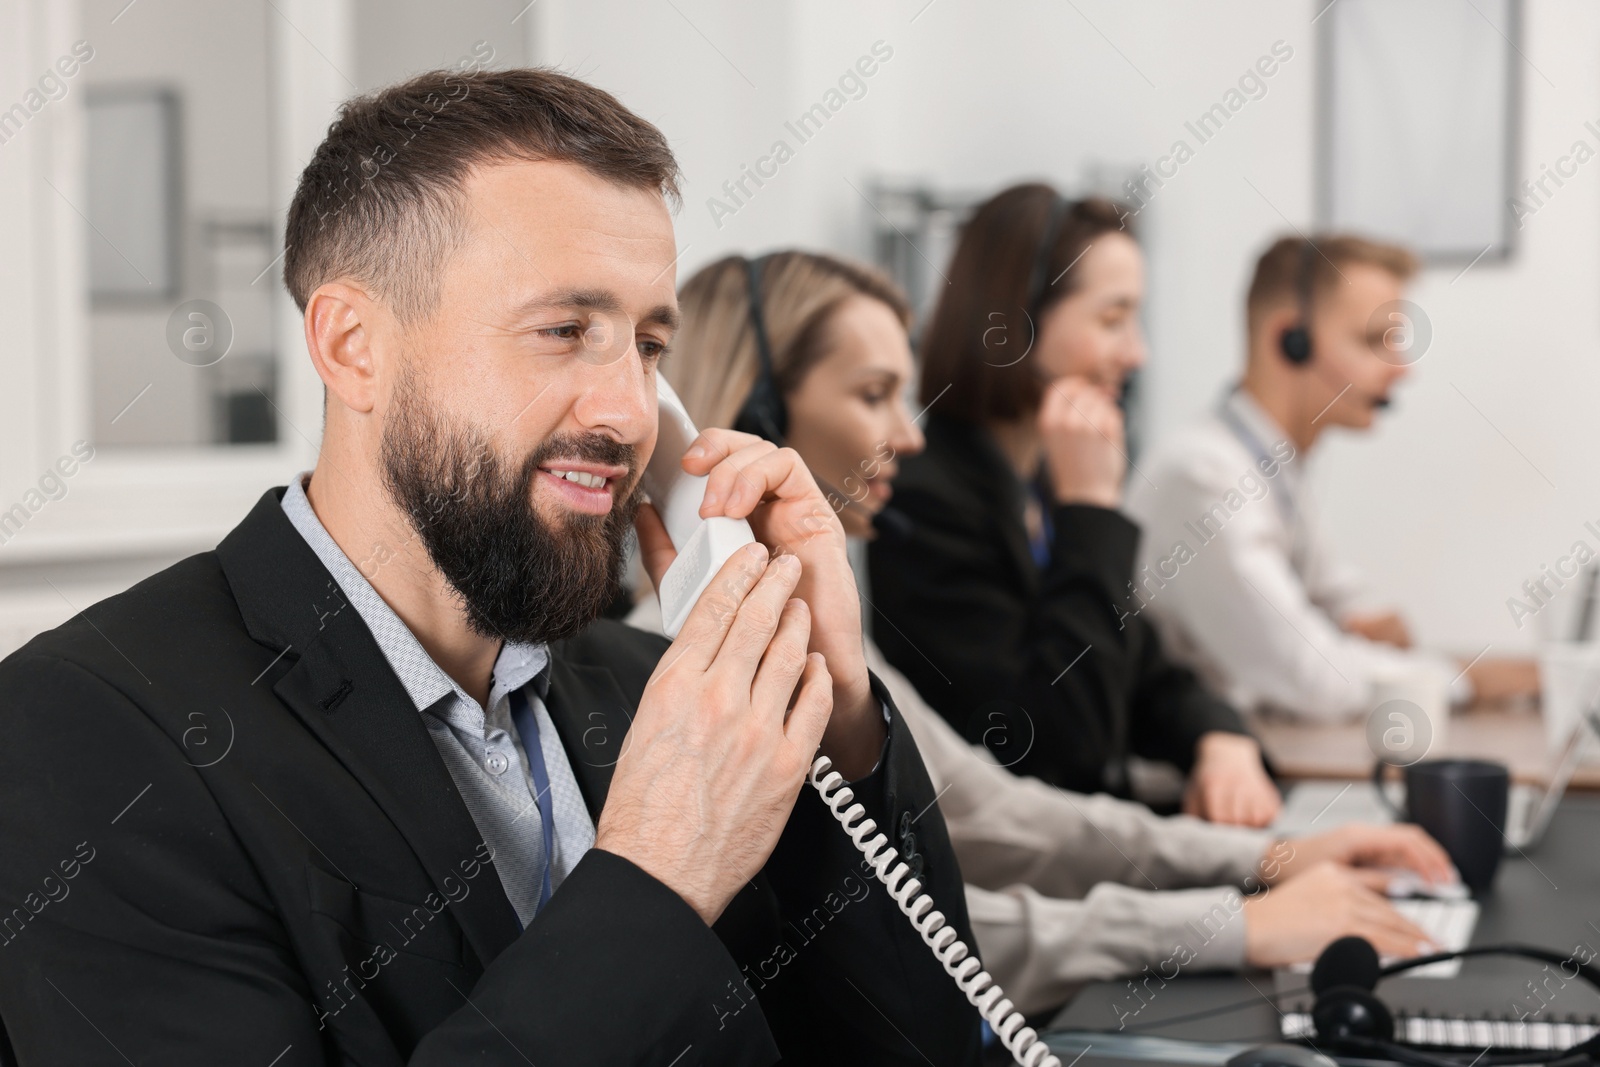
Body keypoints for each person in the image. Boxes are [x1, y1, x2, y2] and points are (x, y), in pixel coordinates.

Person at [0, 70, 983, 1065]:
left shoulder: (660, 690)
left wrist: (838, 711)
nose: (629, 412)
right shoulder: (87, 731)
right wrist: (653, 874)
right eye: (563, 331)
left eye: (647, 344)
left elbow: (925, 1050)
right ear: (354, 346)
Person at [643, 248, 1456, 1017]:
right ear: (757, 410)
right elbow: (934, 902)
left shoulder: (825, 611)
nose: (911, 433)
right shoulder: (681, 658)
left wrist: (1263, 859)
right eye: (872, 393)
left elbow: (998, 813)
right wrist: (1234, 918)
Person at [868, 185, 1282, 827]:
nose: (1137, 352)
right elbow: (1057, 748)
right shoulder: (923, 502)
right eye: (1113, 319)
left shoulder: (1041, 477)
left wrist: (1219, 738)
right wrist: (1091, 508)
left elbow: (1140, 667)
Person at [1124, 235, 1539, 722]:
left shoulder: (1272, 466)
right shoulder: (1204, 477)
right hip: (1182, 785)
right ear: (1291, 342)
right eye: (1373, 340)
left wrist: (1364, 629)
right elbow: (1315, 680)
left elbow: (1342, 607)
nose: (1402, 370)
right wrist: (1466, 677)